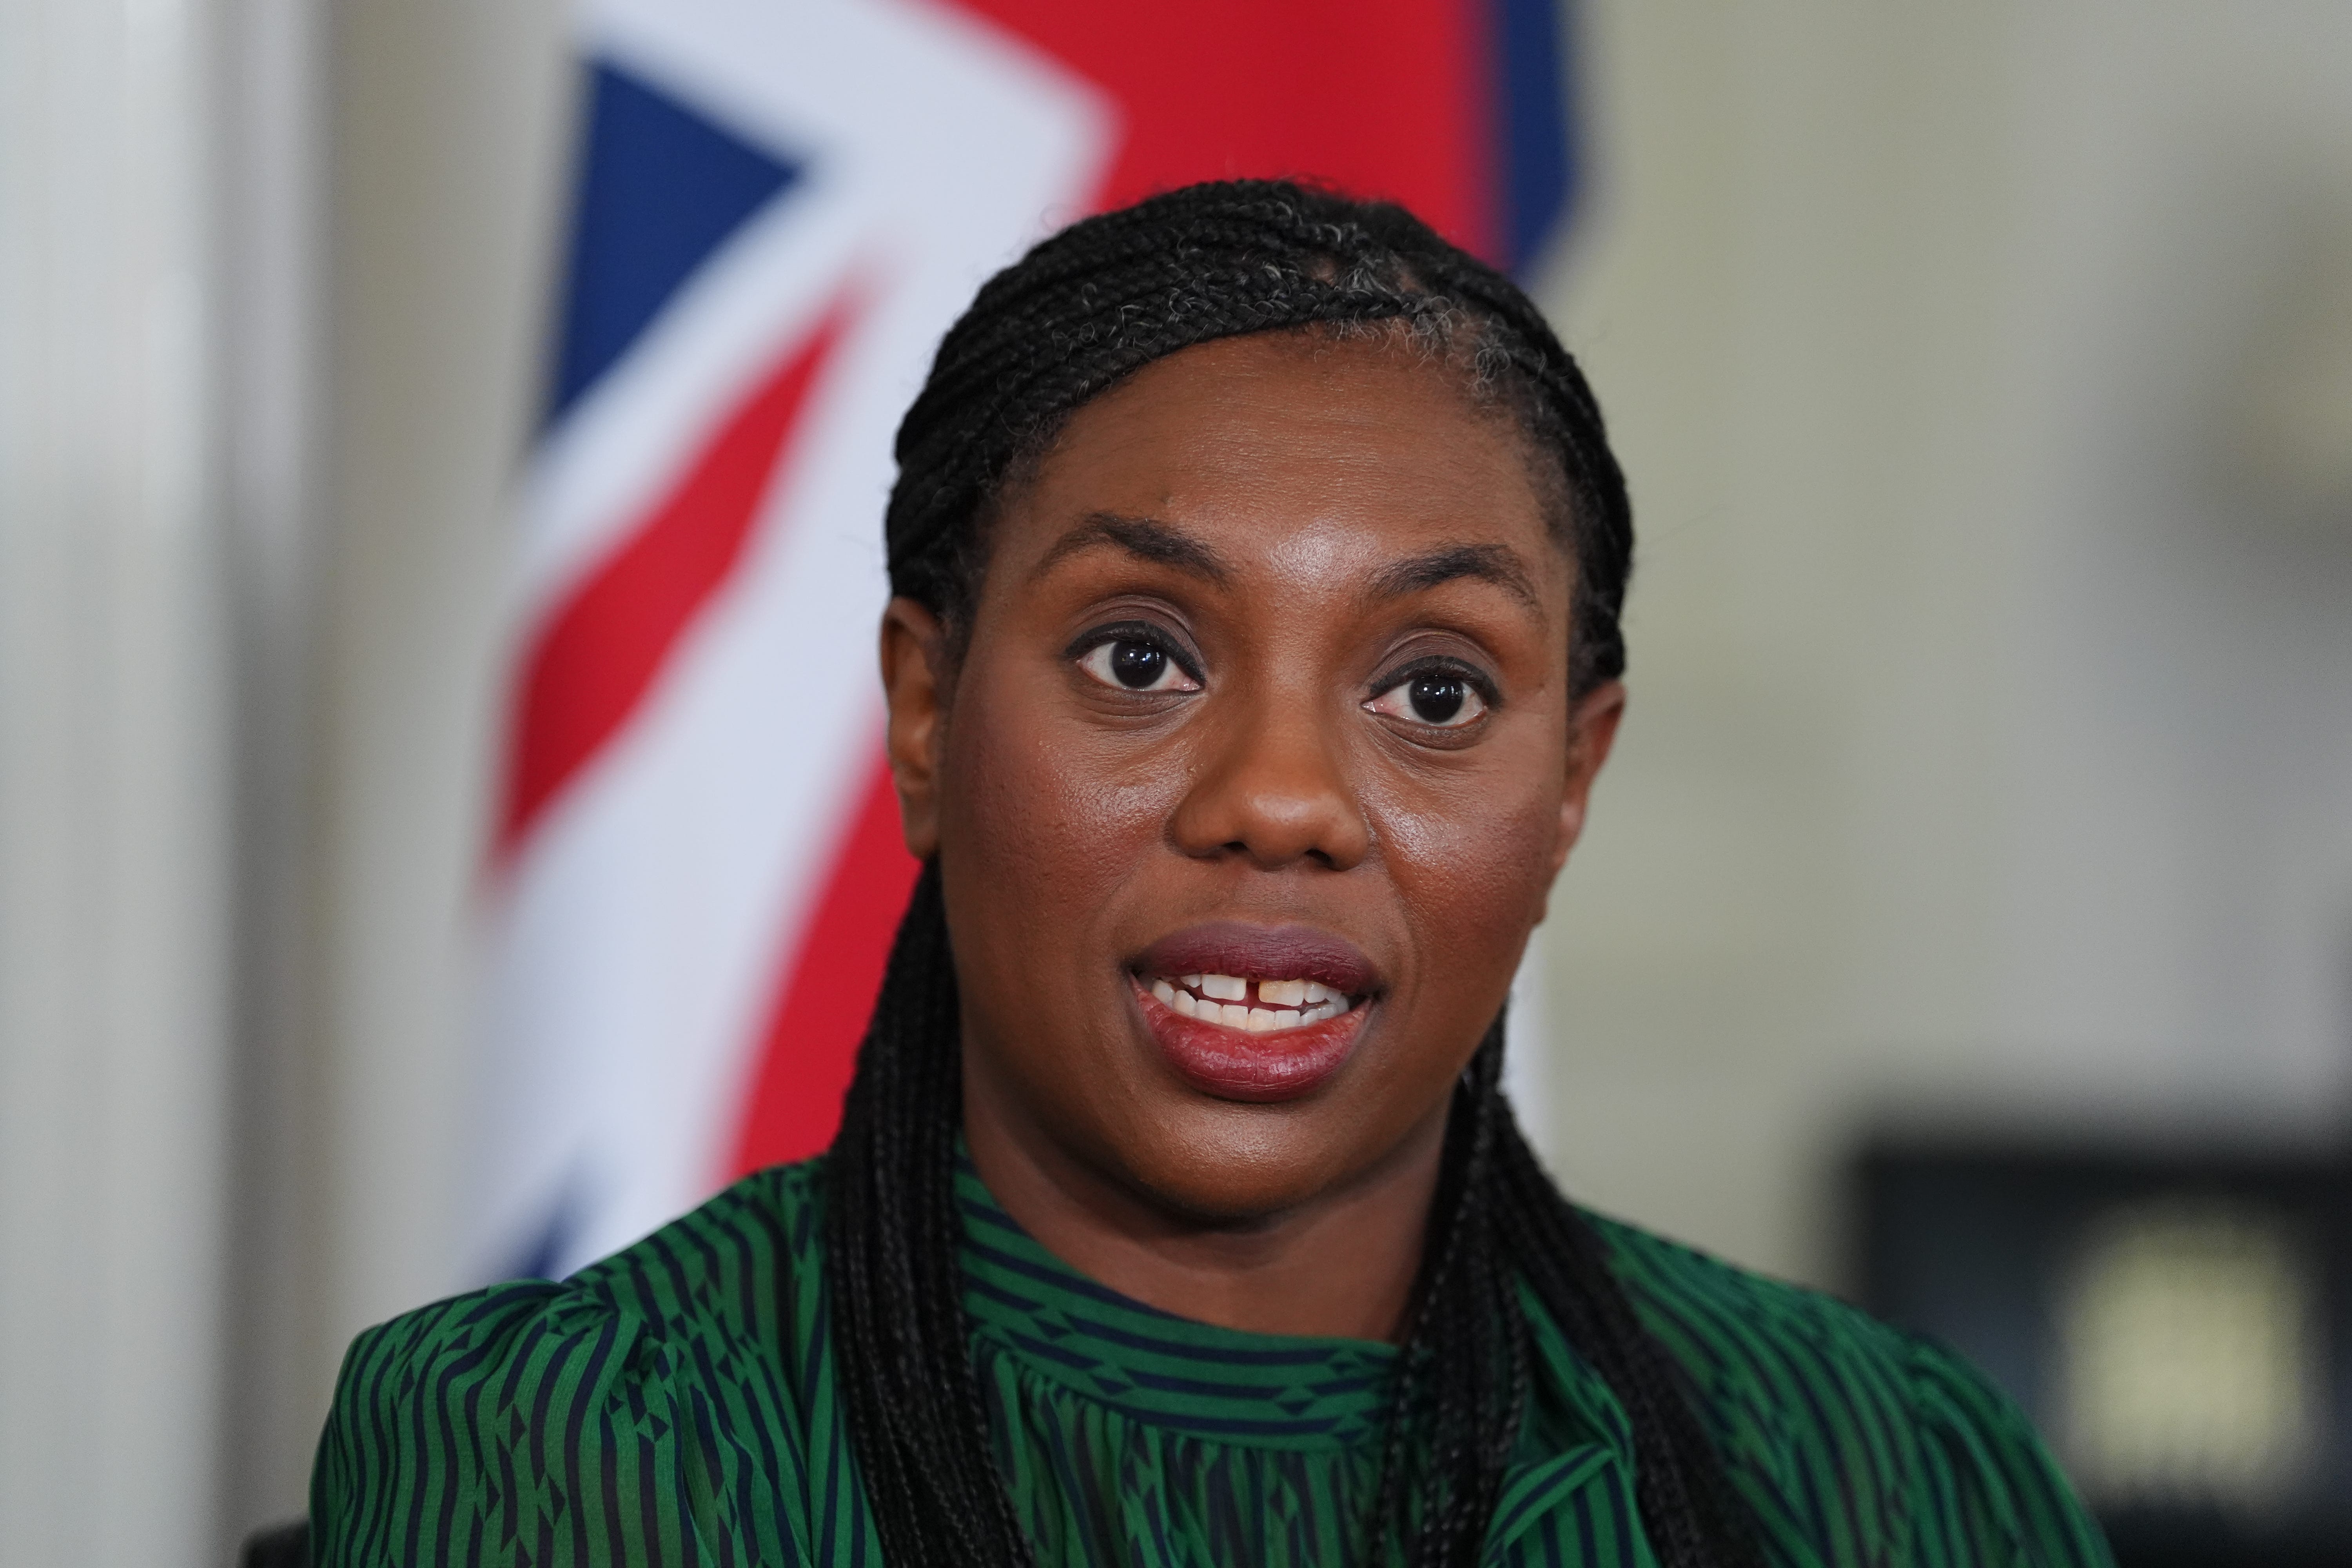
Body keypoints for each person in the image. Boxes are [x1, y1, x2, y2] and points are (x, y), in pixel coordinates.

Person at [310, 181, 2111, 1567]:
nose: (1280, 800)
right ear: (927, 713)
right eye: (1142, 657)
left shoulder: (1882, 1473)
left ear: (1571, 782)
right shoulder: (584, 1441)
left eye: (1434, 689)